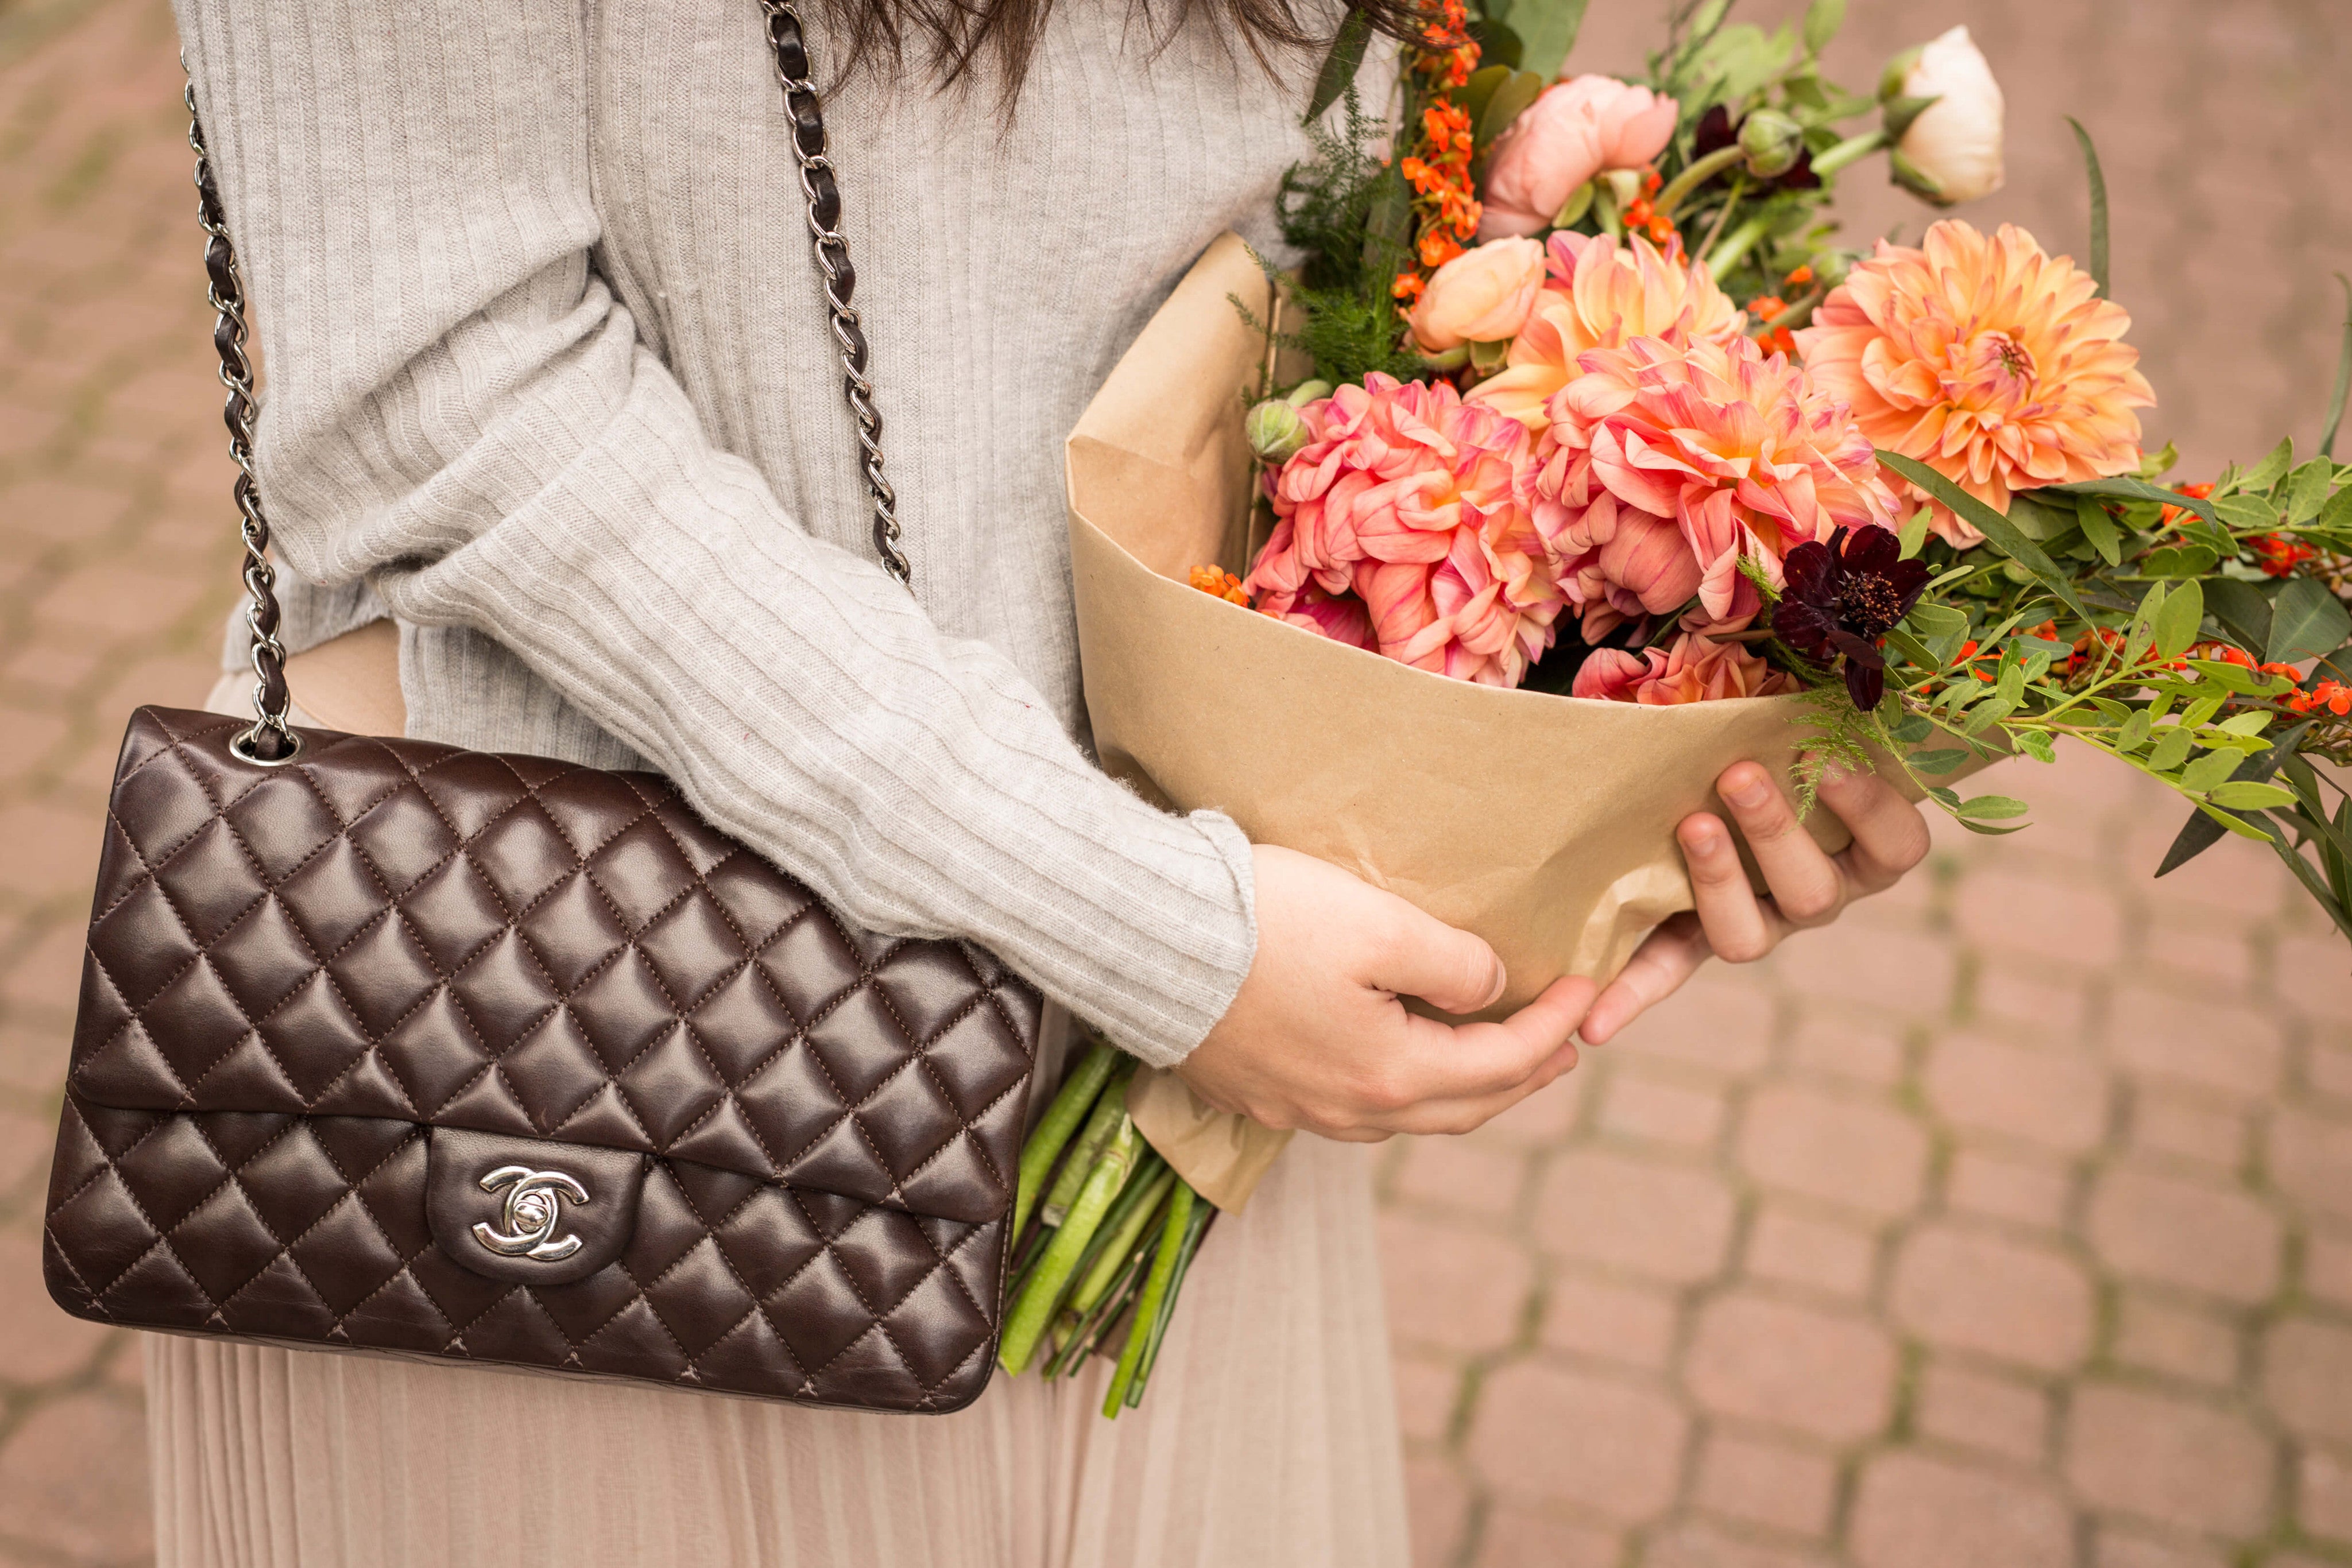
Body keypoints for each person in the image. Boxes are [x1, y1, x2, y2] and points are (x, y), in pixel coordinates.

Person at [155, 1, 1932, 1563]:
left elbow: (1286, 266)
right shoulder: (1155, 938)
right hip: (581, 1058)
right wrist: (1141, 922)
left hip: (1184, 1071)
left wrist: (1650, 665)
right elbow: (438, 391)